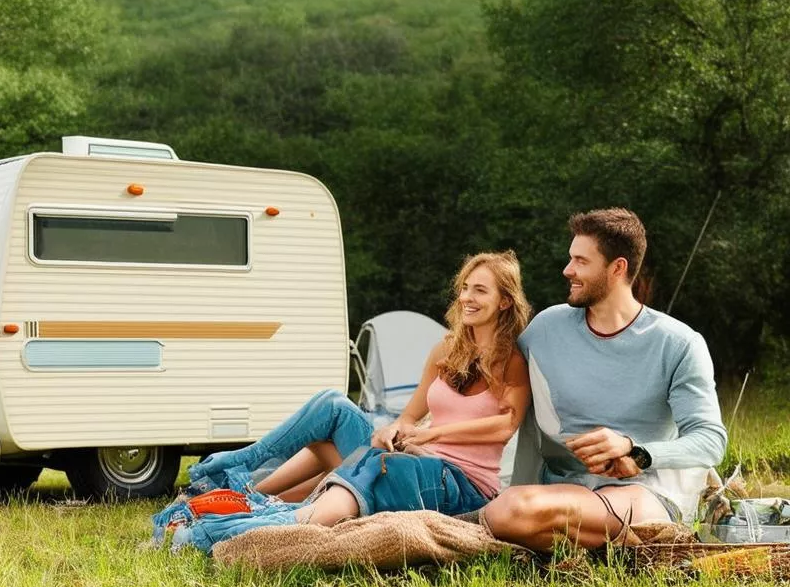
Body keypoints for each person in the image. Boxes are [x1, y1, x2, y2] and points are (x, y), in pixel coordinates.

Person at [168, 251, 532, 551]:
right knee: (332, 406)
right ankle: (242, 464)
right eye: (464, 288)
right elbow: (409, 416)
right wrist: (394, 430)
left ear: (504, 301)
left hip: (461, 481)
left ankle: (236, 504)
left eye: (480, 291)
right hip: (418, 457)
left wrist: (433, 435)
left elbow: (506, 425)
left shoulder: (511, 360)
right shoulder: (446, 351)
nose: (467, 298)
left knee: (338, 463)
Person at [483, 208, 727, 550]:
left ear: (617, 268)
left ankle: (577, 541)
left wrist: (635, 451)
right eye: (571, 258)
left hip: (643, 493)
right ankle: (618, 547)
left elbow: (710, 440)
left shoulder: (678, 343)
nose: (568, 270)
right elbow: (496, 389)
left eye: (581, 261)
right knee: (512, 510)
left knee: (512, 511)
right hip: (562, 488)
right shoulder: (546, 329)